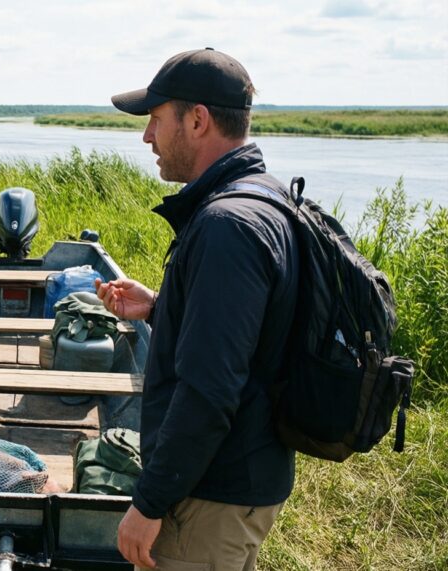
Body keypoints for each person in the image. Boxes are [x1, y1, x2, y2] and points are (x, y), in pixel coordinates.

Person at [100, 48, 299, 570]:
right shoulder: (264, 197)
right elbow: (248, 334)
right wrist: (162, 308)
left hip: (210, 494)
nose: (147, 138)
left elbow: (209, 390)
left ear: (197, 119)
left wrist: (149, 502)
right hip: (244, 479)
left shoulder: (225, 226)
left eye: (155, 120)